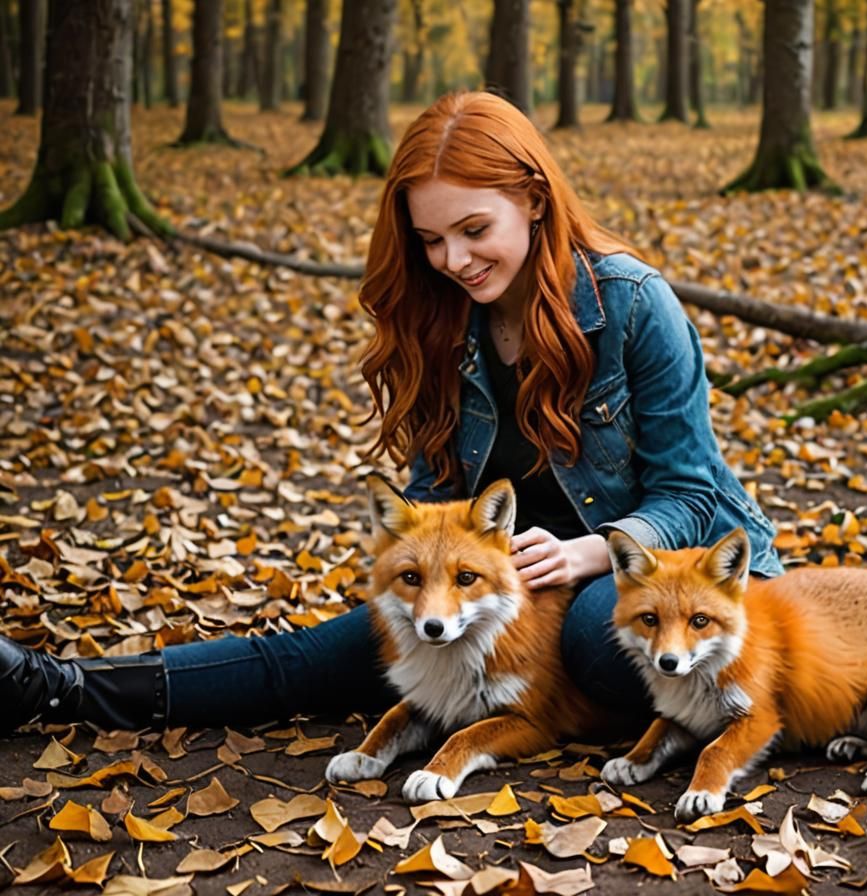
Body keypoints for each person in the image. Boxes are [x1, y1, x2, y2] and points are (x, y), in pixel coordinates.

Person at [0, 91, 782, 737]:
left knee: (592, 638)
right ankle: (53, 687)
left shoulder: (635, 305)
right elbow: (429, 494)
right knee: (314, 658)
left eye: (475, 230)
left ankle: (693, 705)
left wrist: (588, 554)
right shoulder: (440, 316)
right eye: (432, 239)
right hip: (485, 592)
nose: (454, 260)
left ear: (535, 200)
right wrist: (415, 586)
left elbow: (692, 495)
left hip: (656, 588)